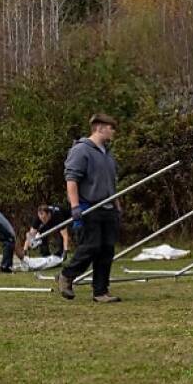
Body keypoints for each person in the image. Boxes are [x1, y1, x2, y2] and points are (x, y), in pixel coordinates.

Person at [55, 114, 122, 303]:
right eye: (111, 127)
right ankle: (67, 275)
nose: (113, 131)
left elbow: (111, 183)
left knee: (107, 250)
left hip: (107, 207)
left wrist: (117, 205)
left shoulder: (107, 154)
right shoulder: (81, 150)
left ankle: (100, 291)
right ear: (99, 127)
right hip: (89, 207)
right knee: (91, 246)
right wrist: (75, 206)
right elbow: (72, 180)